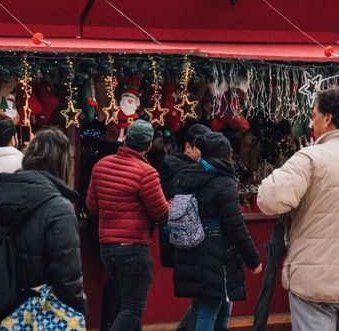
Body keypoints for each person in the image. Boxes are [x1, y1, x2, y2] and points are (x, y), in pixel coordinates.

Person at [258, 86, 339, 331]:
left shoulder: (310, 157)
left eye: (314, 114)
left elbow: (269, 200)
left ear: (328, 118)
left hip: (316, 281)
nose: (312, 121)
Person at [0, 128, 87, 316]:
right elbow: (68, 275)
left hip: (3, 310)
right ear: (62, 162)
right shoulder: (59, 208)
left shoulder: (4, 196)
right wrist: (78, 311)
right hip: (42, 314)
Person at [171, 131, 263, 331]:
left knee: (222, 305)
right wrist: (253, 259)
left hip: (193, 249)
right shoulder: (224, 182)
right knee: (210, 309)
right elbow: (235, 224)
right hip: (218, 254)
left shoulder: (188, 177)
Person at [87, 118, 171, 331]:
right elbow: (162, 215)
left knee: (129, 307)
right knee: (132, 309)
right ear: (149, 145)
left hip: (107, 247)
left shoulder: (101, 165)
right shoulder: (146, 173)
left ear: (126, 140)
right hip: (133, 248)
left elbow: (92, 206)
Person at [160, 123, 213, 331]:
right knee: (205, 300)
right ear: (188, 147)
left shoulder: (176, 168)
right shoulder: (185, 172)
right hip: (191, 243)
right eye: (202, 147)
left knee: (206, 300)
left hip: (186, 243)